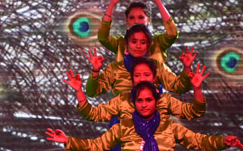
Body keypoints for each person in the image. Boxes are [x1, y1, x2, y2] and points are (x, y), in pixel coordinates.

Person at [46, 81, 243, 151]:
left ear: (156, 101)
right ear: (134, 103)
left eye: (149, 100)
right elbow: (95, 146)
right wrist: (67, 140)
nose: (144, 104)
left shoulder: (169, 127)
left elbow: (199, 141)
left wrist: (223, 141)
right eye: (139, 100)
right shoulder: (123, 128)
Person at [64, 53, 207, 122]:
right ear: (132, 79)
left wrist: (197, 89)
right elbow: (92, 114)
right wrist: (78, 91)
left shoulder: (166, 101)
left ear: (155, 78)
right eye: (137, 75)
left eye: (146, 75)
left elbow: (195, 111)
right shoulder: (122, 102)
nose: (142, 79)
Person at [85, 24, 192, 97]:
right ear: (126, 44)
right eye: (134, 41)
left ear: (148, 46)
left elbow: (179, 87)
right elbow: (92, 92)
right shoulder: (115, 68)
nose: (138, 46)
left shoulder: (157, 67)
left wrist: (187, 69)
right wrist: (95, 71)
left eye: (143, 42)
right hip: (122, 121)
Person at [98, 0, 177, 63]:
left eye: (141, 17)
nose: (136, 21)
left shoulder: (157, 42)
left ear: (148, 20)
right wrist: (112, 4)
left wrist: (158, 2)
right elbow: (103, 37)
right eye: (131, 18)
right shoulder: (120, 44)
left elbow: (172, 33)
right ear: (126, 20)